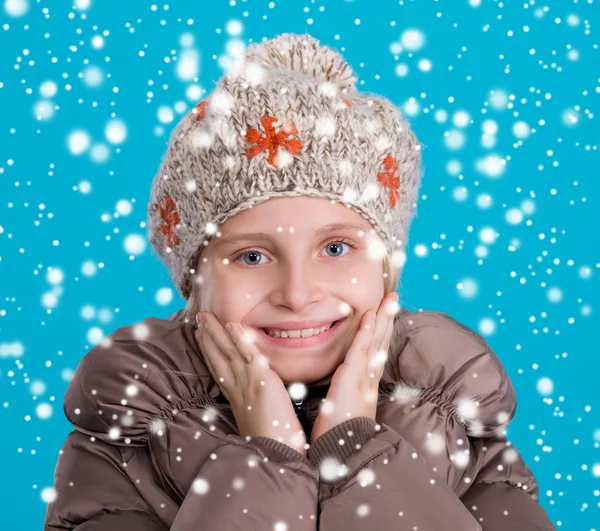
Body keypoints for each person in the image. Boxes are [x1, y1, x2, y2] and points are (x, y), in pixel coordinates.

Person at [44, 33, 555, 530]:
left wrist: (356, 455)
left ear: (384, 268)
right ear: (194, 281)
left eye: (336, 248)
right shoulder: (124, 448)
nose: (297, 293)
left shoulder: (458, 432)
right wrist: (269, 457)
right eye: (251, 256)